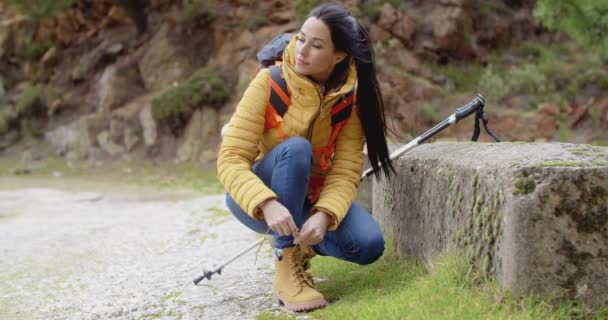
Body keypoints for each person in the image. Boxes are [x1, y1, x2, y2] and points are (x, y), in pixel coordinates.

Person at [217, 3, 394, 312]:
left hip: (309, 198)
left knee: (369, 245)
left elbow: (346, 170)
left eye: (316, 45)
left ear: (338, 56)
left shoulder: (347, 102)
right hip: (257, 199)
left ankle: (302, 247)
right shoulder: (269, 82)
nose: (301, 50)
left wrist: (324, 216)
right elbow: (230, 158)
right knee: (297, 148)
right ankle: (286, 264)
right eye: (301, 38)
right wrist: (267, 203)